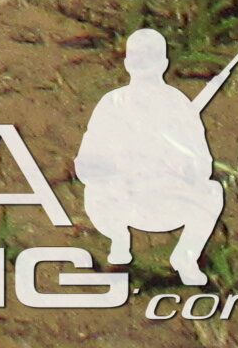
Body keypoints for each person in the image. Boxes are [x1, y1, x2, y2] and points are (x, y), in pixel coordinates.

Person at [76, 26, 229, 286]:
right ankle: (118, 241)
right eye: (140, 60)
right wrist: (120, 168)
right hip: (121, 200)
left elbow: (201, 164)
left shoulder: (178, 105)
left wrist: (173, 169)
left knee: (212, 191)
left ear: (163, 64)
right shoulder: (113, 104)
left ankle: (186, 256)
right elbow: (87, 164)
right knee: (94, 191)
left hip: (167, 200)